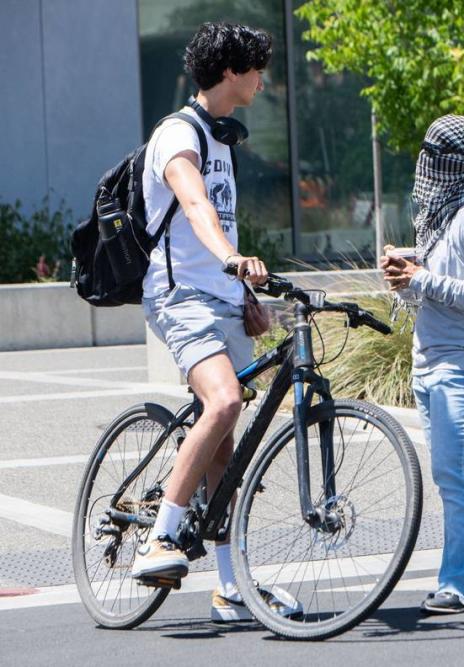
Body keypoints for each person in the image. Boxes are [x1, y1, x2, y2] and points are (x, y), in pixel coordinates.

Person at [131, 22, 298, 622]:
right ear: (231, 71)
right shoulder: (177, 134)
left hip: (220, 298)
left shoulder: (223, 139)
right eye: (257, 69)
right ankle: (159, 536)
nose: (262, 79)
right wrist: (230, 259)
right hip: (180, 300)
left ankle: (230, 586)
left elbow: (217, 224)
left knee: (227, 451)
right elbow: (197, 206)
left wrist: (242, 285)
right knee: (224, 402)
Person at [380, 114, 464, 615]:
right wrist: (407, 265)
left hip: (461, 363)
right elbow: (443, 266)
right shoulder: (447, 214)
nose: (427, 165)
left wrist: (419, 279)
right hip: (431, 359)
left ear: (462, 164)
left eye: (439, 157)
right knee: (461, 473)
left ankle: (461, 585)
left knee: (453, 475)